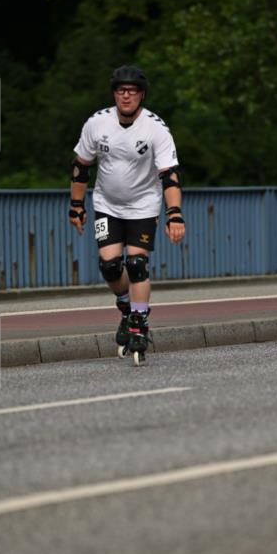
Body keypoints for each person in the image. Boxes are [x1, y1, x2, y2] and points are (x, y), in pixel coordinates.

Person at [68, 65, 185, 363]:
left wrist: (174, 214)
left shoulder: (155, 128)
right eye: (121, 91)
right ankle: (126, 303)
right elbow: (81, 166)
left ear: (142, 95)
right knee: (109, 267)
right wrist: (76, 206)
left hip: (143, 205)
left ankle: (139, 320)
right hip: (105, 204)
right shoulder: (97, 123)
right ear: (114, 94)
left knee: (136, 264)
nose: (126, 96)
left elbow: (170, 175)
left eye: (132, 91)